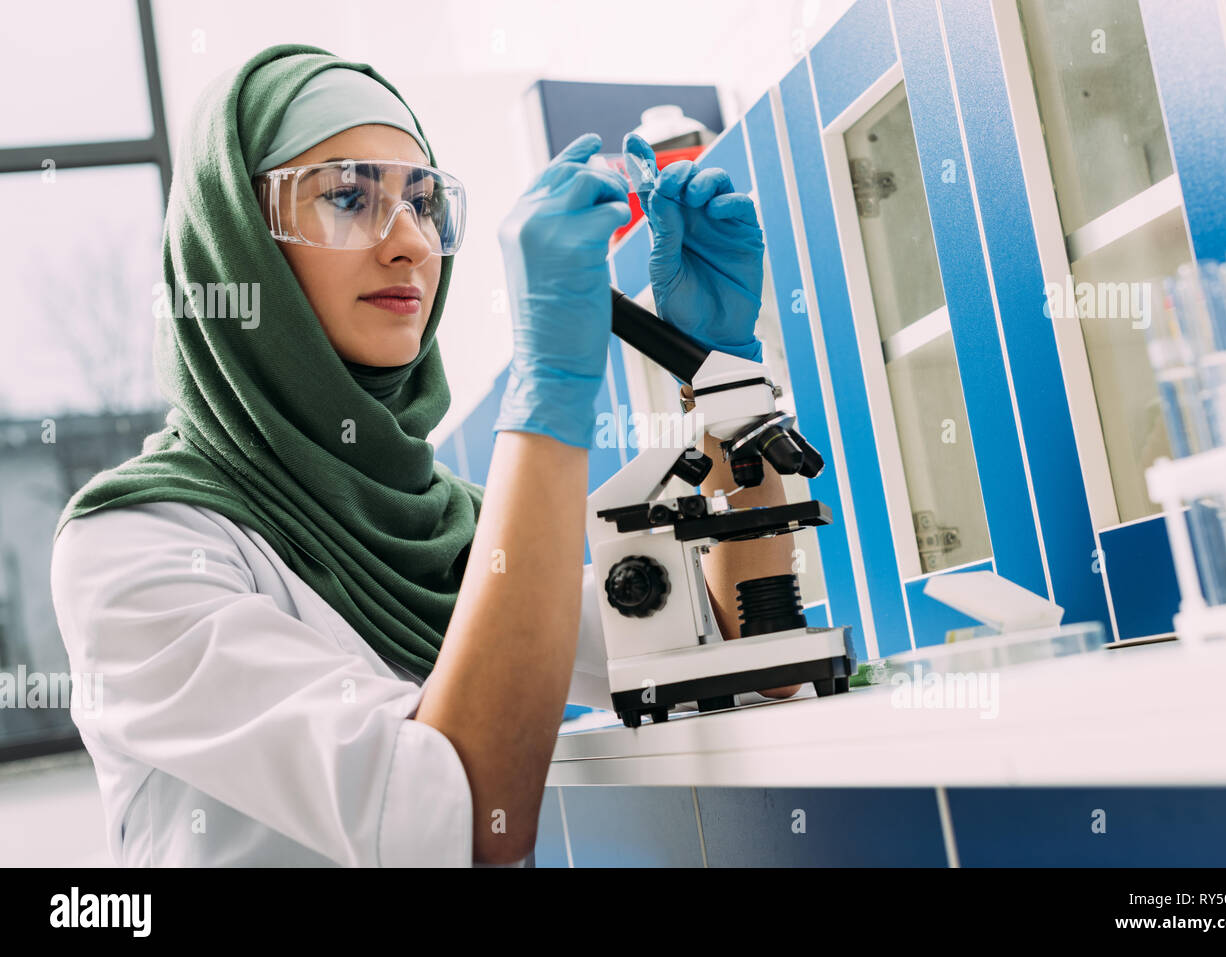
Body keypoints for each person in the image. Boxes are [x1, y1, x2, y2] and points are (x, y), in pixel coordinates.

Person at [48, 43, 796, 868]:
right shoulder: (136, 548)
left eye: (425, 202)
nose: (410, 243)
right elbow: (463, 814)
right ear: (235, 247)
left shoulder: (451, 531)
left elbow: (738, 651)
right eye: (346, 196)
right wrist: (550, 391)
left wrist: (721, 368)